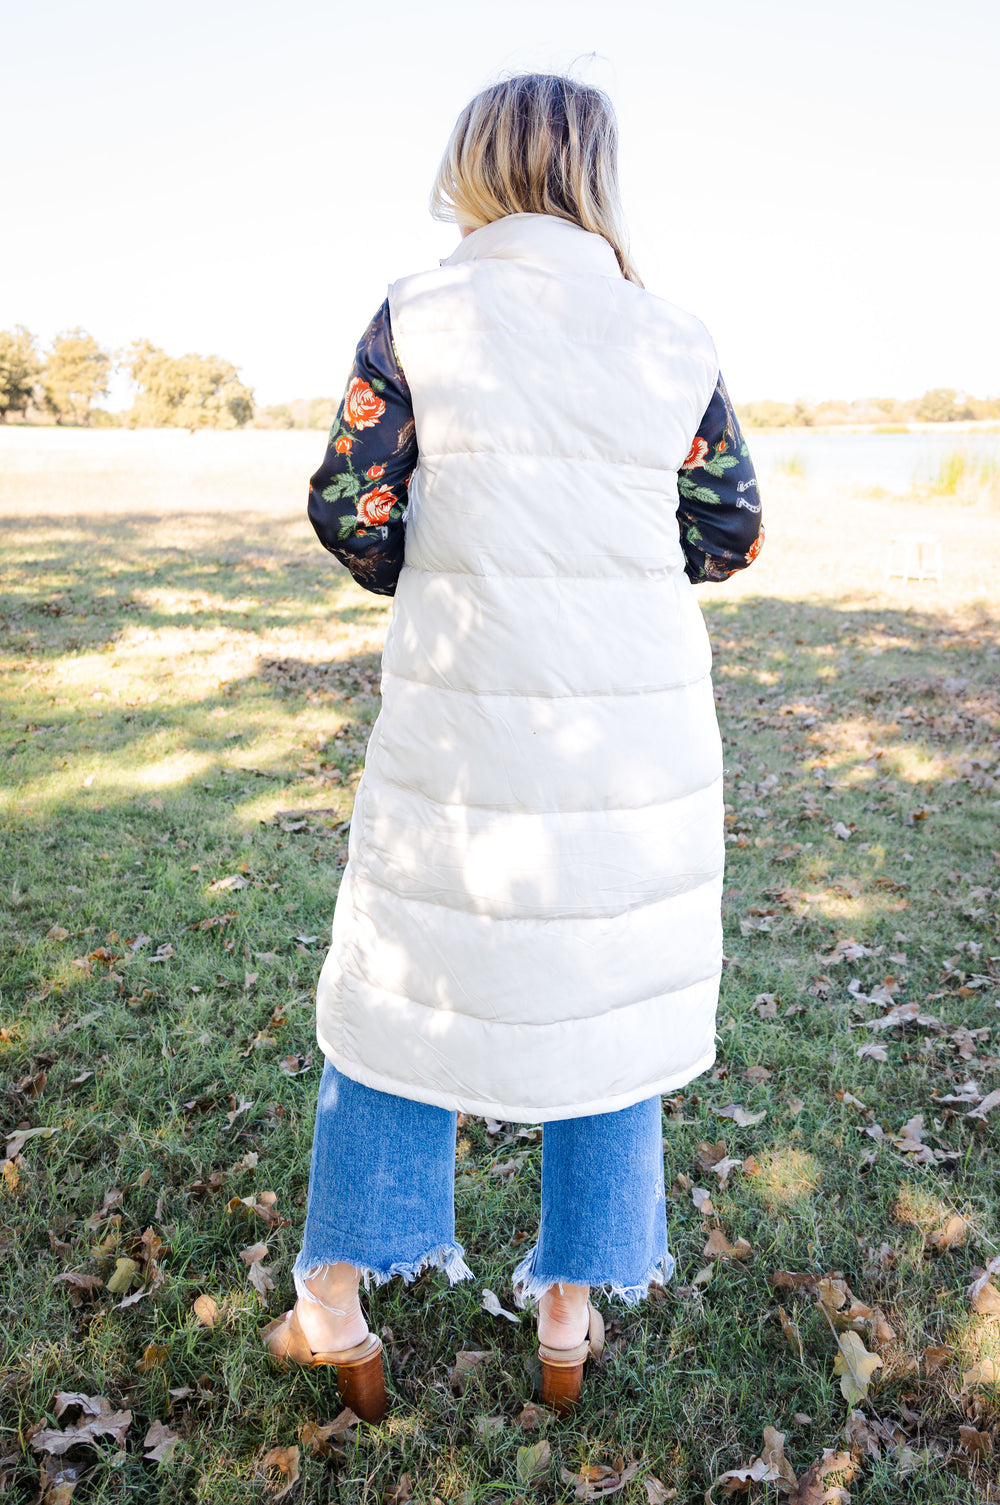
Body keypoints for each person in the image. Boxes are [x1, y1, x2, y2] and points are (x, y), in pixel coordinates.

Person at [263, 72, 763, 1421]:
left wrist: (437, 557)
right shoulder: (671, 337)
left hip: (462, 711)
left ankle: (333, 1300)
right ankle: (567, 1311)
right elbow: (727, 530)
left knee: (407, 978)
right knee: (604, 995)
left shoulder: (419, 313)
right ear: (599, 174)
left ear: (474, 164)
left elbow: (350, 505)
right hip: (627, 730)